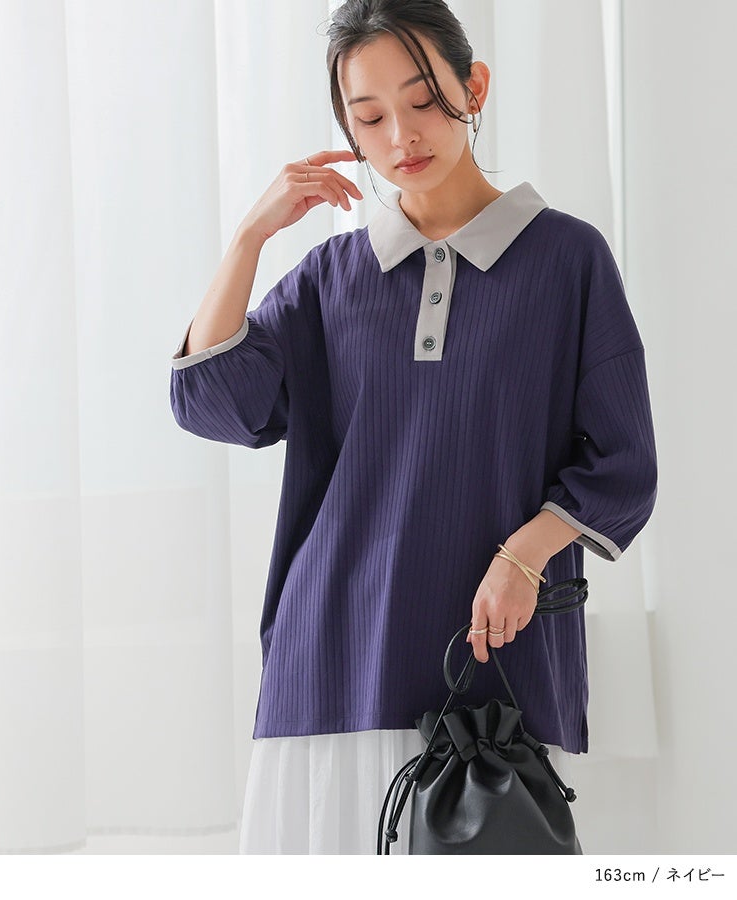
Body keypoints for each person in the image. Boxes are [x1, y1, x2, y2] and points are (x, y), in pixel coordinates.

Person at [169, 0, 658, 854]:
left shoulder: (566, 259)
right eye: (369, 118)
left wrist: (524, 556)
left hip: (490, 664)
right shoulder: (332, 276)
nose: (402, 136)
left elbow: (622, 461)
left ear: (475, 88)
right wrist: (250, 236)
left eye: (424, 99)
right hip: (332, 661)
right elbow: (213, 401)